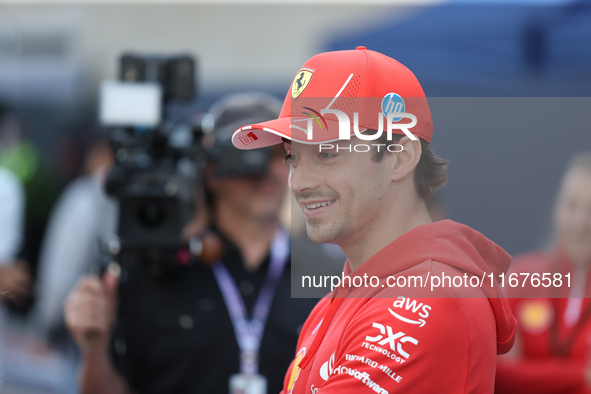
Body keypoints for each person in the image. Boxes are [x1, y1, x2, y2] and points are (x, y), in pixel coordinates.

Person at [231, 47, 516, 393]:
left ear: (400, 157)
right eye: (292, 158)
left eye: (326, 153)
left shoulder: (428, 298)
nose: (299, 181)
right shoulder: (344, 296)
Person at [64, 92, 317, 394]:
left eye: (281, 154)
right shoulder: (155, 272)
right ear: (211, 170)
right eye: (251, 152)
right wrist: (95, 349)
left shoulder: (329, 272)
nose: (267, 169)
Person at [495, 152, 591, 394]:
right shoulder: (522, 275)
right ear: (556, 209)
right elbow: (498, 374)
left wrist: (531, 375)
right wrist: (579, 375)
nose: (581, 223)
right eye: (572, 206)